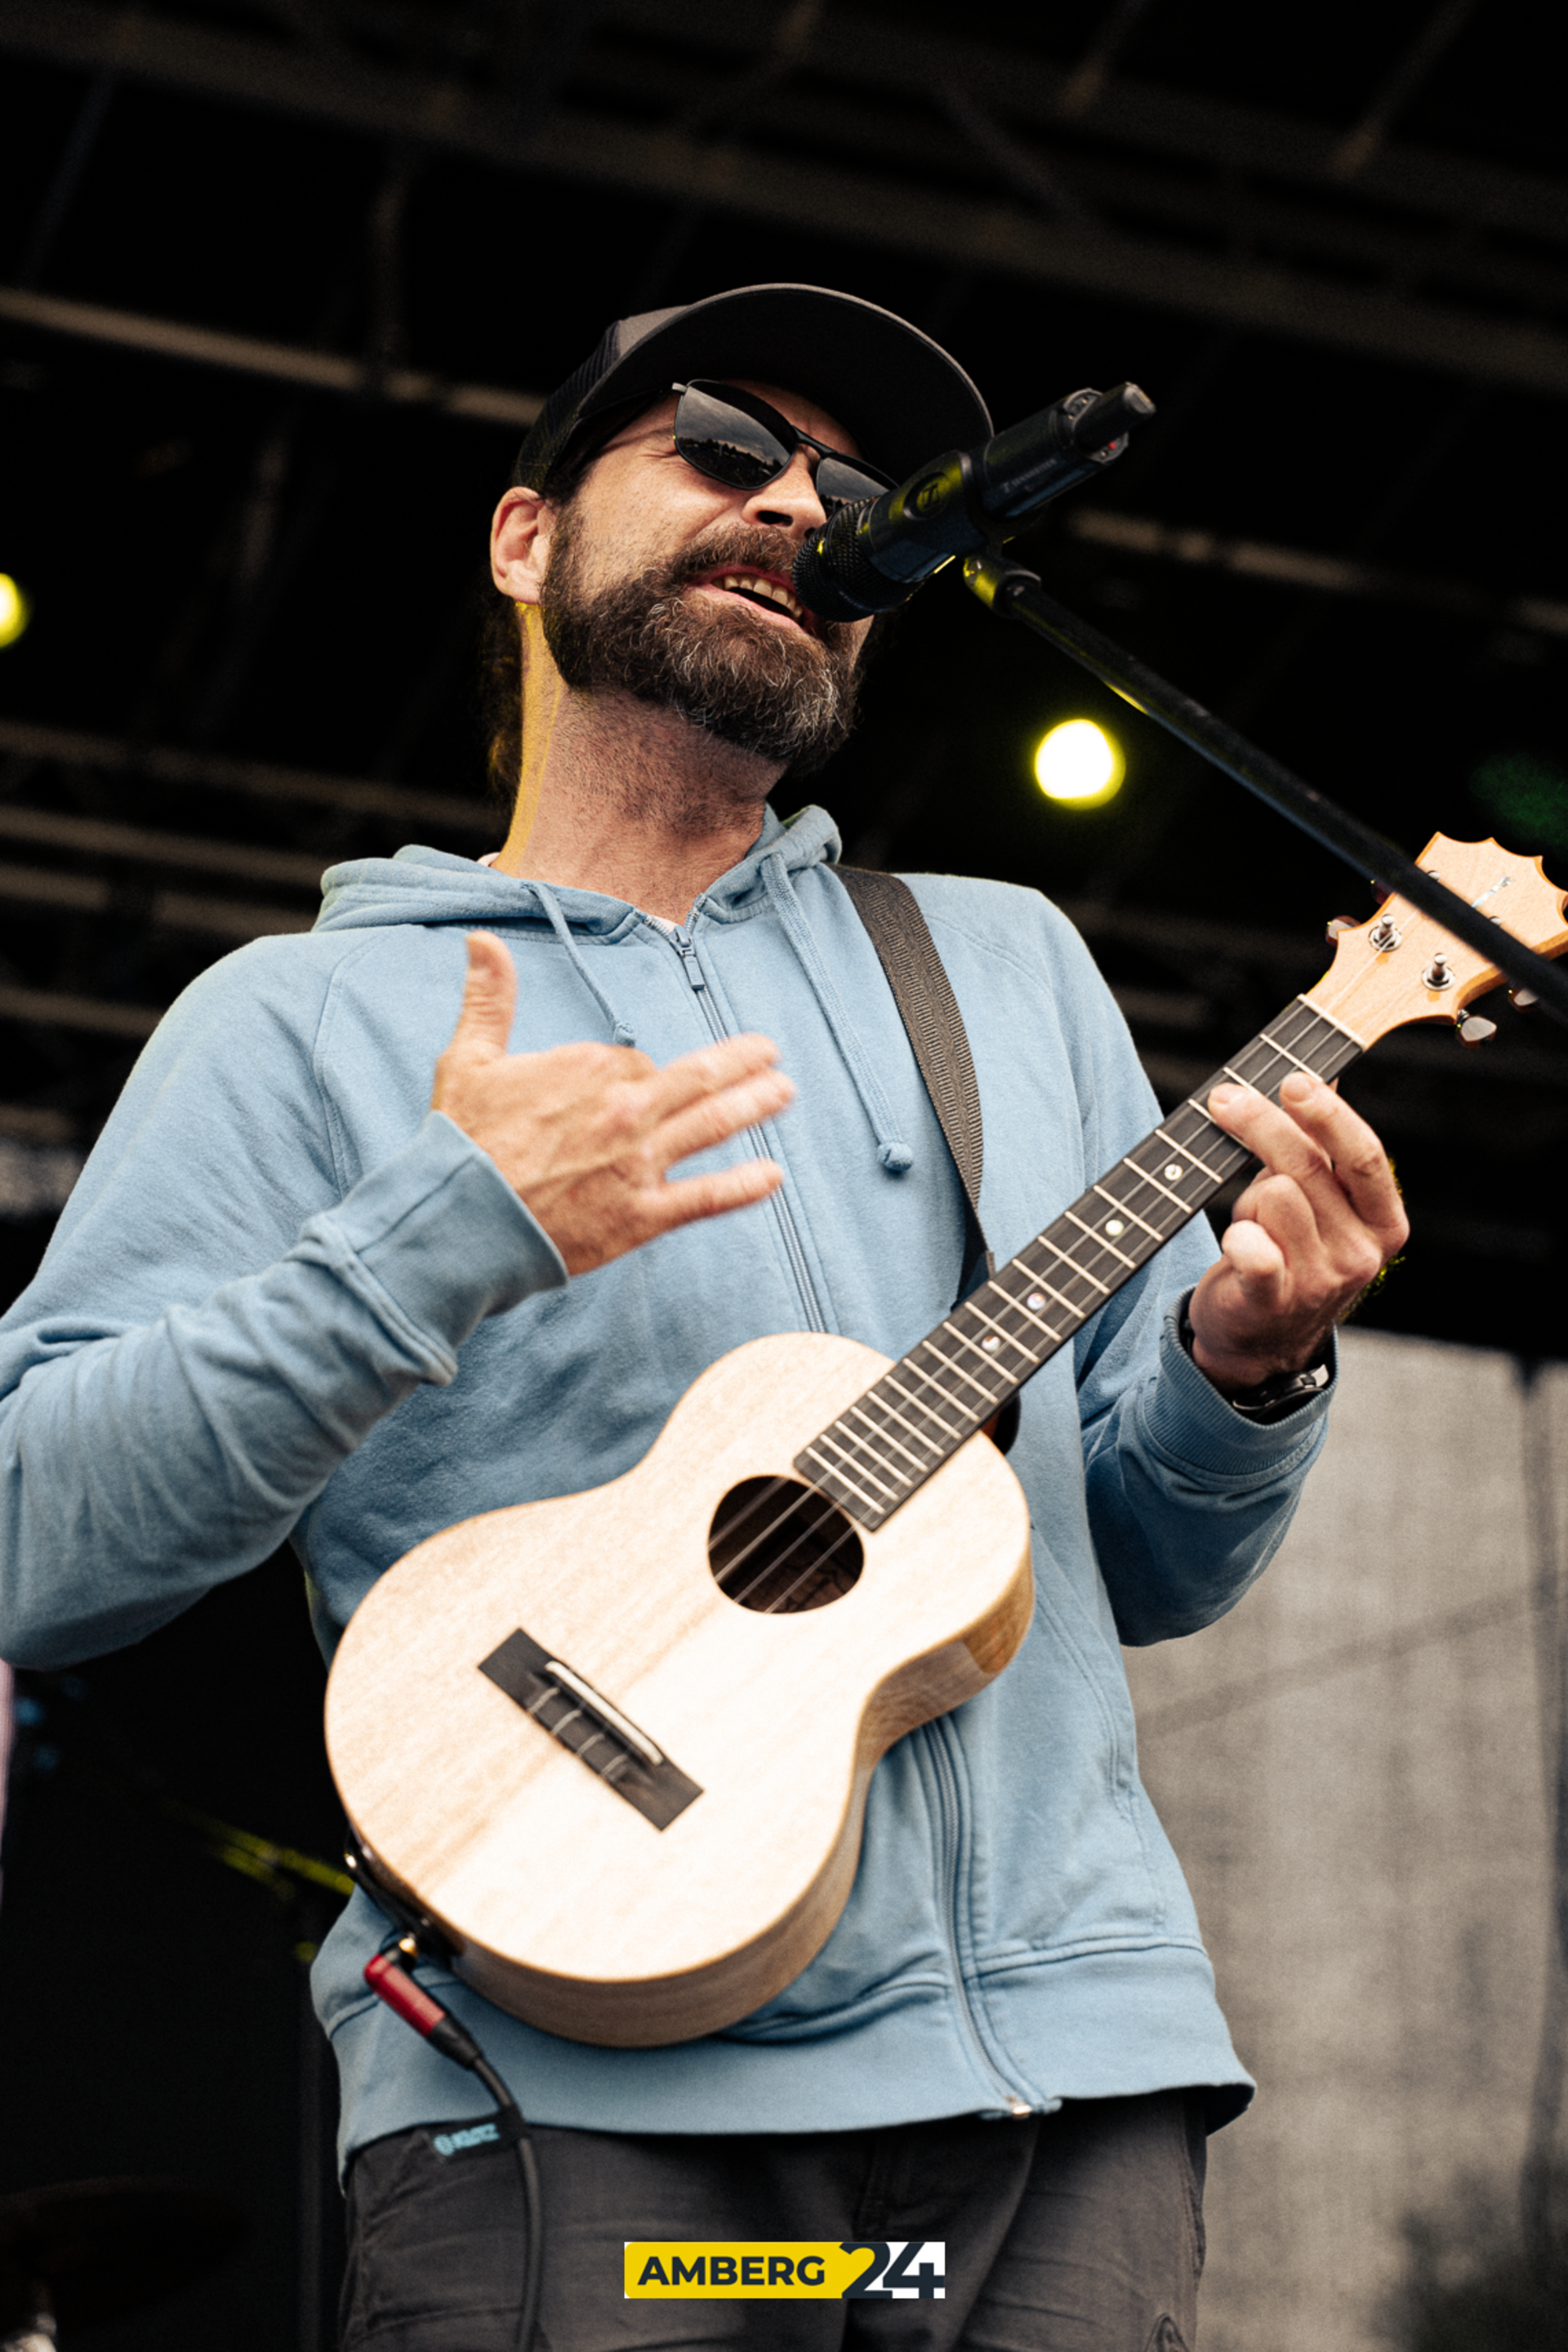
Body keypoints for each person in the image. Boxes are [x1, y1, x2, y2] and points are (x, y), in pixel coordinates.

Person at [0, 283, 1405, 2349]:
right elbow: (34, 1542)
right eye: (723, 447)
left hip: (1069, 2088)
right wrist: (436, 1239)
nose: (794, 508)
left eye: (849, 491)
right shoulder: (300, 1019)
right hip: (579, 2098)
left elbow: (1134, 1569)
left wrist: (1242, 1374)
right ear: (524, 534)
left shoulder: (1000, 969)